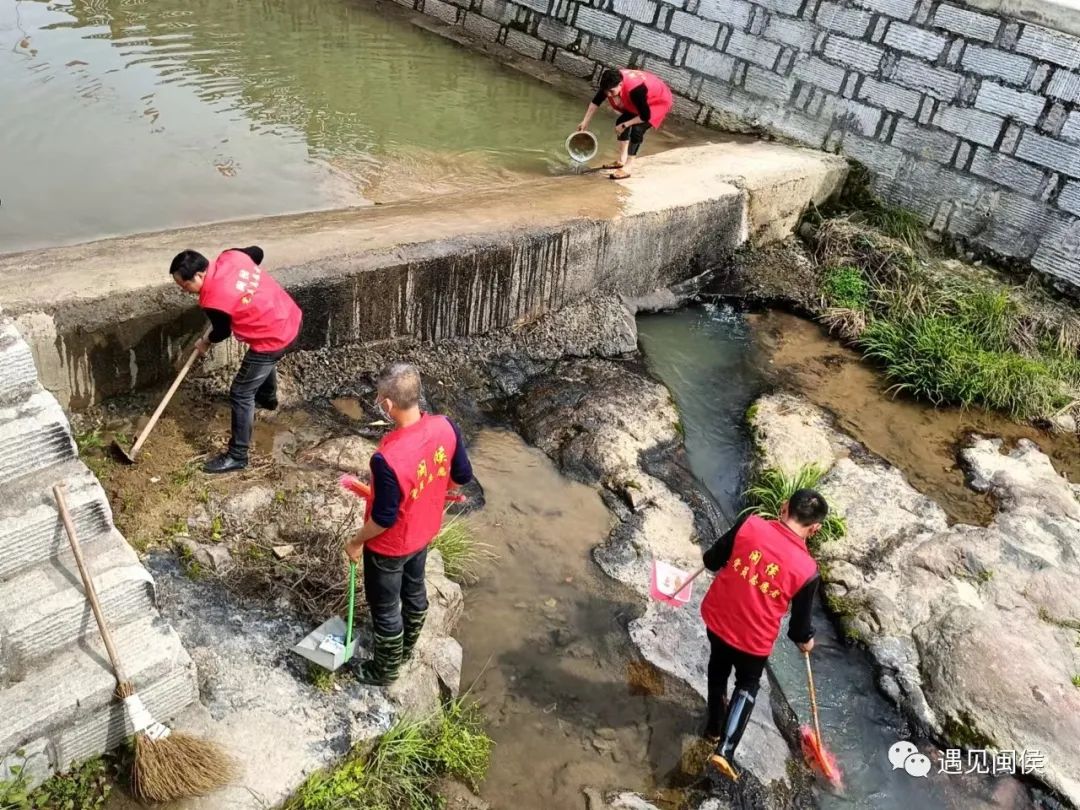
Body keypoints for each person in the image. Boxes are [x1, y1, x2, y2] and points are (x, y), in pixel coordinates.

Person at [345, 363, 473, 686]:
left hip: (389, 546)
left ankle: (385, 670)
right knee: (414, 589)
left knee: (385, 606)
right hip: (425, 531)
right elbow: (461, 477)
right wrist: (435, 494)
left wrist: (357, 540)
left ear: (387, 405)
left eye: (379, 398)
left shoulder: (386, 459)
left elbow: (384, 519)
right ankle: (406, 650)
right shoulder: (446, 427)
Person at [700, 489, 826, 781]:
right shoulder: (807, 569)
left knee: (717, 668)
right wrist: (807, 640)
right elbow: (798, 628)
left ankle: (713, 728)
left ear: (784, 507)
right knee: (747, 684)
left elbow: (711, 559)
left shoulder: (751, 524)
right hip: (753, 640)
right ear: (815, 528)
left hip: (719, 619)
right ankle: (725, 750)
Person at [170, 246, 302, 474]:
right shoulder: (232, 256)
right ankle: (268, 400)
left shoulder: (213, 299)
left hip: (273, 336)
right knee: (261, 364)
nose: (185, 291)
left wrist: (205, 342)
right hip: (289, 317)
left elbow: (221, 331)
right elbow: (258, 252)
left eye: (185, 286)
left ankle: (237, 456)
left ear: (200, 275)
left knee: (241, 392)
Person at [576, 67, 673, 180]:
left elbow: (645, 116)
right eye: (606, 91)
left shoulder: (636, 90)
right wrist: (585, 122)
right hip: (641, 101)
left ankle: (628, 166)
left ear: (621, 84)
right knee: (621, 121)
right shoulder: (609, 83)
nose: (608, 95)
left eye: (611, 91)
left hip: (657, 101)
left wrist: (625, 125)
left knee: (637, 130)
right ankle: (622, 160)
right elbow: (596, 102)